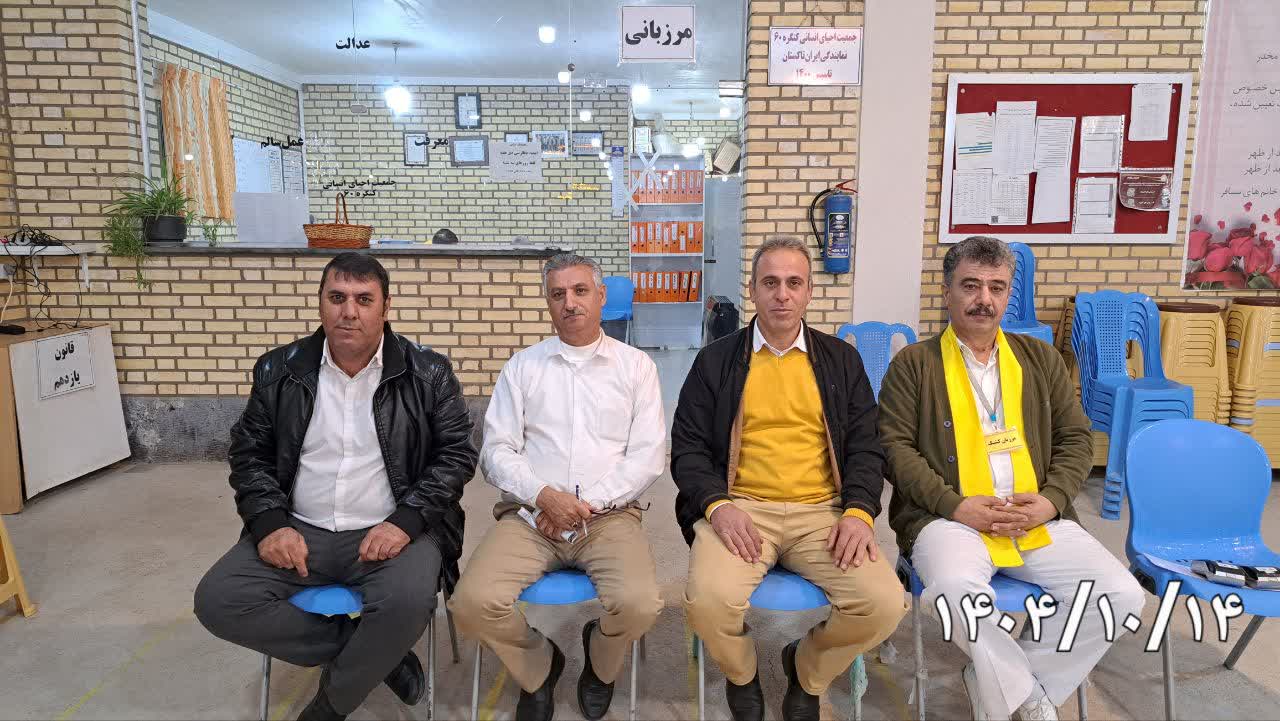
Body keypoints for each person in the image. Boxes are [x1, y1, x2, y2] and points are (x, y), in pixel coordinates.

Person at [194, 252, 478, 721]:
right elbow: (249, 455)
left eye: (364, 299)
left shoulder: (428, 373)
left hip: (392, 532)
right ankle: (380, 654)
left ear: (386, 307)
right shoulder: (277, 371)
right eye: (337, 297)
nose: (349, 312)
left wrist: (406, 522)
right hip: (300, 530)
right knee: (218, 600)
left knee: (409, 601)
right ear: (320, 303)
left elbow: (456, 455)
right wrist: (270, 524)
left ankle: (328, 708)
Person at [878, 236, 1146, 721]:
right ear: (946, 291)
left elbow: (1076, 439)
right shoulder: (913, 365)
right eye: (971, 285)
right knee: (954, 594)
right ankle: (1026, 697)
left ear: (1007, 294)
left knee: (1121, 595)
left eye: (996, 287)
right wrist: (956, 505)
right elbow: (895, 450)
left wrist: (1050, 500)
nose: (984, 299)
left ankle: (1000, 681)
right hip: (949, 518)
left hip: (1033, 513)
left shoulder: (1040, 360)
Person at [671, 235, 907, 721]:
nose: (782, 294)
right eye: (771, 283)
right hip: (740, 509)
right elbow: (688, 448)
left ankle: (806, 669)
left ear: (809, 292)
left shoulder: (840, 360)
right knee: (707, 603)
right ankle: (742, 673)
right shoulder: (716, 361)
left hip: (823, 512)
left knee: (884, 604)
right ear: (752, 290)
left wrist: (859, 512)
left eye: (794, 283)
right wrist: (717, 505)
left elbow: (867, 446)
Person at [449, 253, 665, 721]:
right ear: (548, 302)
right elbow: (496, 451)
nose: (570, 303)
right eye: (558, 294)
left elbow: (647, 456)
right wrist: (544, 497)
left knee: (640, 604)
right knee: (470, 603)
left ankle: (600, 666)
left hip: (607, 518)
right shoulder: (523, 367)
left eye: (580, 291)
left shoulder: (636, 367)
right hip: (532, 518)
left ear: (601, 296)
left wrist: (581, 505)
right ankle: (540, 667)